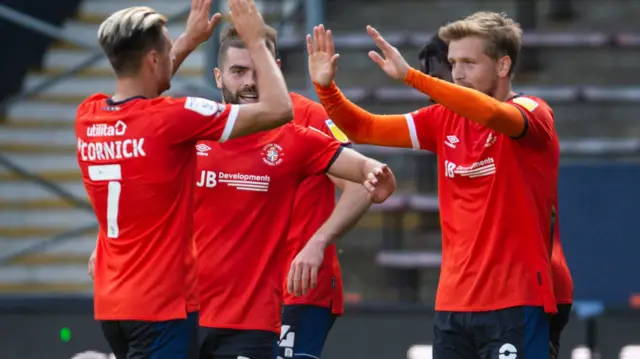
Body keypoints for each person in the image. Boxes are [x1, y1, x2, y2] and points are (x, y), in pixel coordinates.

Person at [291, 12, 560, 359]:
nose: (457, 73)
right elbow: (364, 128)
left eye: (468, 63)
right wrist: (326, 88)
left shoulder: (533, 113)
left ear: (503, 65)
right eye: (452, 63)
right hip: (453, 304)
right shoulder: (443, 119)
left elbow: (493, 115)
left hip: (515, 301)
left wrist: (411, 77)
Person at [79, 0, 295, 357]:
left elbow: (139, 92)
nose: (172, 53)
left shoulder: (87, 115)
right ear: (152, 59)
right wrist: (256, 41)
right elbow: (279, 109)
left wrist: (187, 41)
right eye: (168, 48)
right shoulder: (173, 118)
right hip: (160, 304)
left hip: (112, 301)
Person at [195, 25, 394, 359]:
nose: (249, 82)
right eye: (239, 71)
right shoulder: (205, 126)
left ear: (276, 68)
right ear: (219, 76)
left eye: (259, 70)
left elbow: (363, 181)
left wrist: (317, 242)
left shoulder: (306, 117)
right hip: (219, 298)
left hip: (297, 288)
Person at [418, 34, 574, 359]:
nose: (448, 80)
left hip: (526, 287)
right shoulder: (451, 124)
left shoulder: (520, 115)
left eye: (440, 75)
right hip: (474, 294)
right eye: (450, 66)